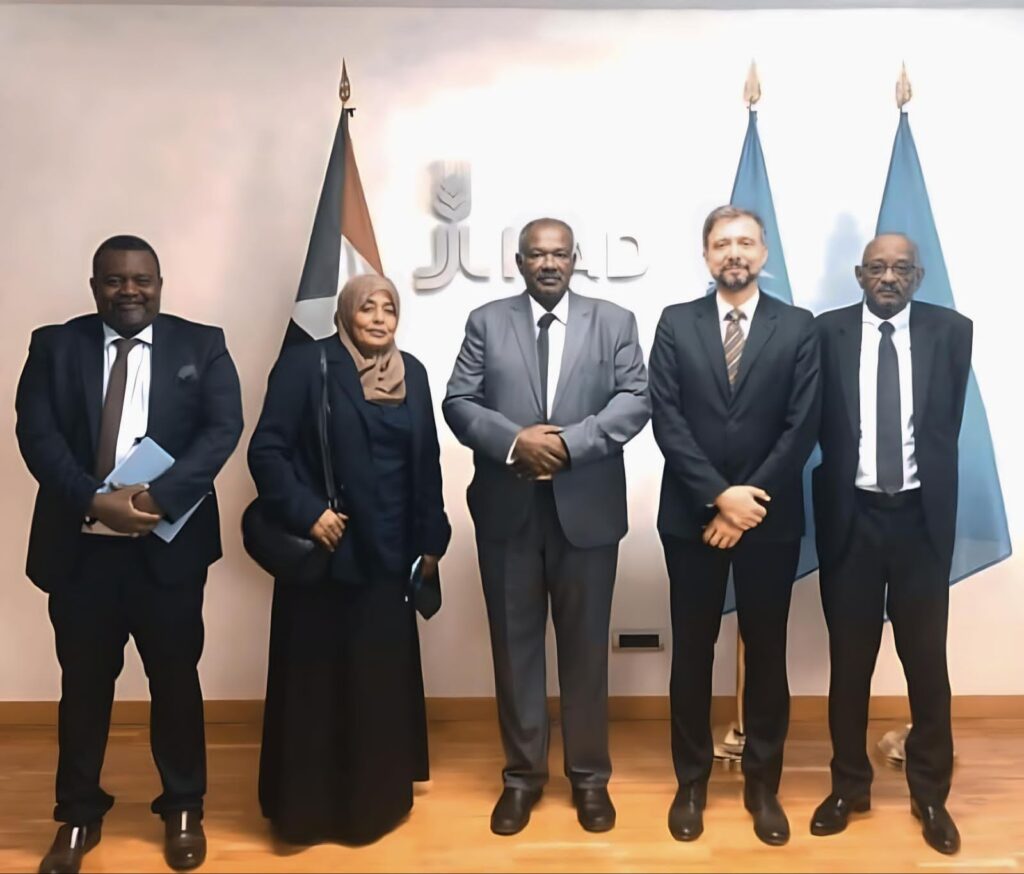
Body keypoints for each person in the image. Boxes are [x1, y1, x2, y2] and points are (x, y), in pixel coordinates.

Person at [15, 235, 243, 874]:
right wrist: (94, 499)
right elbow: (36, 434)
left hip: (167, 550)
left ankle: (183, 806)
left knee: (175, 680)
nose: (129, 290)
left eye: (141, 279)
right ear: (94, 287)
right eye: (114, 280)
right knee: (83, 686)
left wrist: (157, 500)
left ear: (160, 284)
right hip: (81, 553)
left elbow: (222, 430)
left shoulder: (203, 345)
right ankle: (77, 814)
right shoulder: (54, 346)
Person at [443, 217, 650, 836]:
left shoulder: (615, 321)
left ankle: (589, 779)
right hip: (508, 512)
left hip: (587, 513)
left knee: (585, 651)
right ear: (520, 262)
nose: (549, 263)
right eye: (537, 254)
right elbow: (459, 401)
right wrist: (516, 442)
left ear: (575, 258)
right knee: (515, 651)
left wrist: (567, 445)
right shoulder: (486, 321)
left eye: (559, 254)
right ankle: (522, 778)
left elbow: (635, 399)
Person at [248, 274, 451, 846]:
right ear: (345, 314)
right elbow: (266, 450)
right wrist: (309, 512)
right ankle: (308, 814)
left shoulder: (413, 372)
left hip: (390, 557)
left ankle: (375, 806)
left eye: (389, 308)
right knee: (315, 687)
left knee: (375, 686)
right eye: (368, 308)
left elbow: (427, 461)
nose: (380, 318)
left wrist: (431, 539)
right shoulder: (305, 364)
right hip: (326, 553)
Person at [648, 206, 820, 846]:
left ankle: (761, 785)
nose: (734, 252)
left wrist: (748, 506)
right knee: (692, 652)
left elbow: (802, 425)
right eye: (722, 243)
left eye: (745, 242)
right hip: (691, 518)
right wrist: (719, 498)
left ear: (764, 252)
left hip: (769, 522)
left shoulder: (797, 327)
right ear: (706, 255)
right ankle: (691, 782)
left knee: (767, 653)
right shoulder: (675, 323)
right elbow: (667, 419)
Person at [810, 233, 971, 855]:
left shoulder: (951, 333)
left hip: (919, 523)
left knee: (926, 664)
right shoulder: (825, 334)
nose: (888, 277)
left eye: (901, 268)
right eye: (877, 267)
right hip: (851, 520)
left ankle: (930, 793)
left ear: (918, 276)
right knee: (850, 664)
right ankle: (848, 787)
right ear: (859, 274)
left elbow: (944, 426)